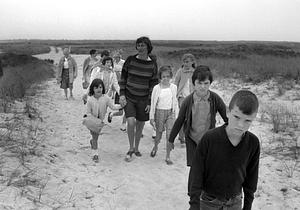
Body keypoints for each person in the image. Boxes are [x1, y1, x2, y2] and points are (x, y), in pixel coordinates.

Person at [188, 90, 260, 210]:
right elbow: (196, 173)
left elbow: (251, 179)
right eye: (236, 117)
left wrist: (247, 206)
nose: (241, 125)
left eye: (247, 120)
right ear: (228, 112)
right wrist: (194, 205)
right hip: (208, 201)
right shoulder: (209, 139)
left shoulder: (253, 143)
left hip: (235, 202)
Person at [168, 66, 228, 193]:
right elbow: (180, 120)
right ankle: (193, 194)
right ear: (193, 83)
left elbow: (226, 117)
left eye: (206, 83)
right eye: (199, 83)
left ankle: (206, 192)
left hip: (209, 141)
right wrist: (171, 139)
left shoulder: (215, 98)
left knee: (208, 167)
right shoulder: (188, 100)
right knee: (195, 169)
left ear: (210, 83)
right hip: (192, 139)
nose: (202, 87)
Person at [119, 36, 159, 162]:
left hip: (143, 100)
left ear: (148, 47)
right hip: (129, 97)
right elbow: (123, 77)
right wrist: (122, 94)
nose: (140, 47)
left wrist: (149, 102)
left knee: (140, 125)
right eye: (138, 45)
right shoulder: (130, 60)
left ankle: (136, 148)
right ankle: (131, 148)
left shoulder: (152, 64)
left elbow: (153, 84)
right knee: (130, 122)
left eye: (143, 45)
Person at [84, 78, 121, 163]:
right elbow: (88, 112)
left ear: (103, 88)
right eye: (96, 88)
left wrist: (120, 106)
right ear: (92, 89)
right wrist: (93, 120)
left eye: (100, 87)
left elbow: (113, 107)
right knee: (95, 136)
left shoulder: (106, 98)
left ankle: (92, 142)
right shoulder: (90, 100)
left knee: (95, 137)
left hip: (100, 121)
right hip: (92, 121)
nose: (98, 89)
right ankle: (95, 154)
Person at [149, 65, 179, 165]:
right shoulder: (156, 88)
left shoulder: (174, 87)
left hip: (170, 112)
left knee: (170, 135)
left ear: (170, 76)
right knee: (159, 134)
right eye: (163, 76)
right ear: (160, 77)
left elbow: (175, 102)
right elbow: (153, 103)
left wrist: (176, 115)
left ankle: (168, 156)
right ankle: (155, 146)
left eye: (167, 76)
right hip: (159, 112)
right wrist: (151, 117)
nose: (165, 78)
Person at [174, 53, 197, 144]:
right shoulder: (180, 71)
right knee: (183, 117)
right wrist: (174, 94)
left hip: (192, 97)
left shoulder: (195, 71)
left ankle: (189, 135)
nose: (185, 63)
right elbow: (176, 82)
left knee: (191, 117)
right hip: (182, 97)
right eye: (184, 61)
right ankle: (181, 136)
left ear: (192, 62)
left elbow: (197, 83)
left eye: (187, 61)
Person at [107, 50, 126, 130]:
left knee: (127, 109)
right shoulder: (112, 64)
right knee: (121, 111)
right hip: (117, 86)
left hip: (124, 85)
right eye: (114, 57)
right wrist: (111, 89)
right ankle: (111, 114)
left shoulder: (123, 63)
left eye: (117, 57)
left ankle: (123, 124)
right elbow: (111, 78)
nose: (116, 58)